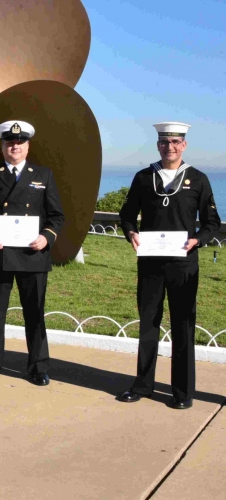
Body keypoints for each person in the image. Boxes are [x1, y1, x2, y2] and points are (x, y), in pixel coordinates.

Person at [117, 122, 221, 410]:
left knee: (183, 326)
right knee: (148, 324)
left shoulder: (198, 179)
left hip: (183, 265)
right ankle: (142, 385)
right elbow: (126, 216)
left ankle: (182, 392)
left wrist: (197, 240)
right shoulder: (143, 177)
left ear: (184, 145)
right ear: (158, 145)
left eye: (176, 142)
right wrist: (131, 233)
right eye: (165, 142)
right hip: (150, 264)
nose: (170, 147)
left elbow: (212, 222)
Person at [0, 120, 64, 386]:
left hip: (34, 255)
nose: (15, 146)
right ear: (3, 146)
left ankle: (38, 367)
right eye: (10, 142)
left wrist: (46, 237)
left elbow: (56, 216)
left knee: (35, 313)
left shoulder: (43, 175)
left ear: (28, 146)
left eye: (19, 142)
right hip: (0, 253)